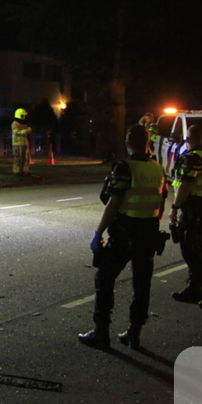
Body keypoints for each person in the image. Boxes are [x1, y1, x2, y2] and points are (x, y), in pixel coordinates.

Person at [80, 123, 167, 350]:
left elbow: (113, 204)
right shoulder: (158, 168)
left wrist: (98, 233)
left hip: (124, 233)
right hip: (148, 233)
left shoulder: (124, 167)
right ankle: (134, 333)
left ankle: (101, 333)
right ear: (148, 143)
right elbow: (161, 203)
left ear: (127, 143)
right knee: (142, 285)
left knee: (104, 279)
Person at [169, 124, 202, 308]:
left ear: (188, 138)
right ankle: (194, 289)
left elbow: (185, 185)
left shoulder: (192, 158)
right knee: (196, 249)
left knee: (190, 251)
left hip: (193, 209)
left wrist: (174, 208)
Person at [12, 108, 32, 176]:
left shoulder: (23, 124)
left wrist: (28, 130)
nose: (24, 117)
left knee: (25, 158)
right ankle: (16, 171)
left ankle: (25, 170)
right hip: (17, 143)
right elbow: (17, 132)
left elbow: (26, 131)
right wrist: (26, 130)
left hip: (24, 143)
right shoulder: (15, 124)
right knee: (18, 158)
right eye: (23, 115)